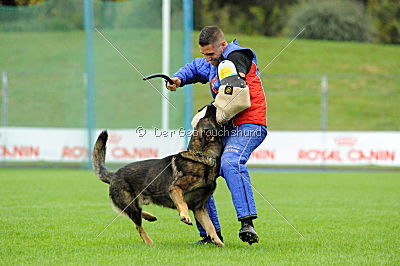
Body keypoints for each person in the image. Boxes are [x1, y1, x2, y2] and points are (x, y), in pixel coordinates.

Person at [166, 26, 267, 245]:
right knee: (198, 170)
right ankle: (211, 235)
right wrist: (178, 79)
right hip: (225, 127)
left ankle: (247, 223)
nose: (208, 59)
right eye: (205, 54)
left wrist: (235, 78)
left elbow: (237, 74)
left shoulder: (237, 56)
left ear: (223, 45)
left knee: (230, 162)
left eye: (211, 54)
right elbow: (194, 67)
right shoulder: (212, 61)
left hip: (250, 124)